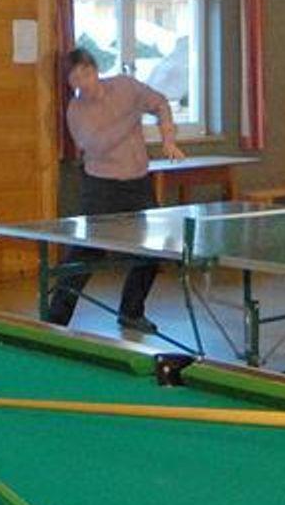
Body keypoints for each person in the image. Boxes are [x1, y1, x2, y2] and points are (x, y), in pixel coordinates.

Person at [46, 48, 184, 336]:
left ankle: (132, 311)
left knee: (152, 250)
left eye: (86, 73)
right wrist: (133, 117)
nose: (84, 82)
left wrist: (168, 138)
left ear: (96, 70)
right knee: (87, 252)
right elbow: (97, 144)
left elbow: (160, 103)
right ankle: (55, 318)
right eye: (75, 78)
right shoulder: (76, 111)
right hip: (101, 188)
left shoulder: (125, 86)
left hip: (138, 183)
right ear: (69, 83)